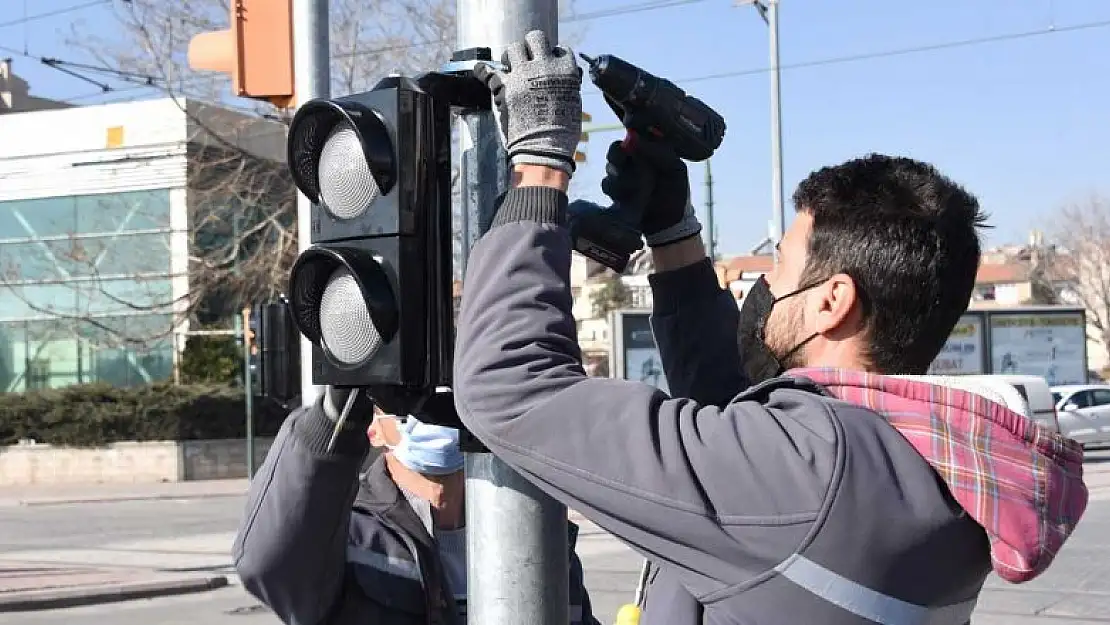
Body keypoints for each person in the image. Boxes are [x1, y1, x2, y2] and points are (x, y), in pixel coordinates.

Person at [454, 30, 1090, 624]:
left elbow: (510, 387)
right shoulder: (921, 467)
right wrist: (675, 237)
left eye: (780, 268)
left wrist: (539, 166)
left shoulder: (811, 475)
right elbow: (728, 422)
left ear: (832, 301)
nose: (759, 287)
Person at [233, 387, 600, 625]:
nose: (434, 410)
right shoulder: (349, 534)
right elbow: (267, 563)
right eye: (409, 403)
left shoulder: (534, 532)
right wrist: (337, 409)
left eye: (449, 395)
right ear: (372, 429)